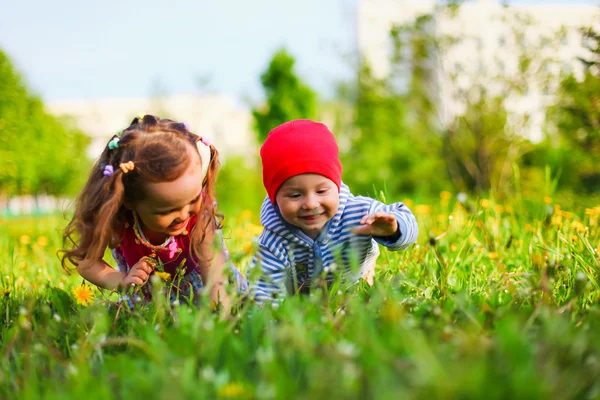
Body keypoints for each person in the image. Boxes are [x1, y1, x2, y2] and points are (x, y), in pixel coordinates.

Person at [60, 114, 246, 309]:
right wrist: (121, 281)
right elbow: (87, 262)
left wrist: (219, 317)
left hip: (202, 292)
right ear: (129, 201)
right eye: (167, 210)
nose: (184, 214)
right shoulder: (119, 220)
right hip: (147, 299)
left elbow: (216, 284)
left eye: (193, 199)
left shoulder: (200, 219)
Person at [249, 119, 418, 305]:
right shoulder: (274, 240)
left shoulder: (360, 214)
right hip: (303, 303)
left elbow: (407, 220)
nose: (311, 204)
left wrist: (395, 230)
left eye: (321, 191)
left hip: (355, 291)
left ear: (336, 186)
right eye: (295, 195)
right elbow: (264, 291)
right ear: (275, 198)